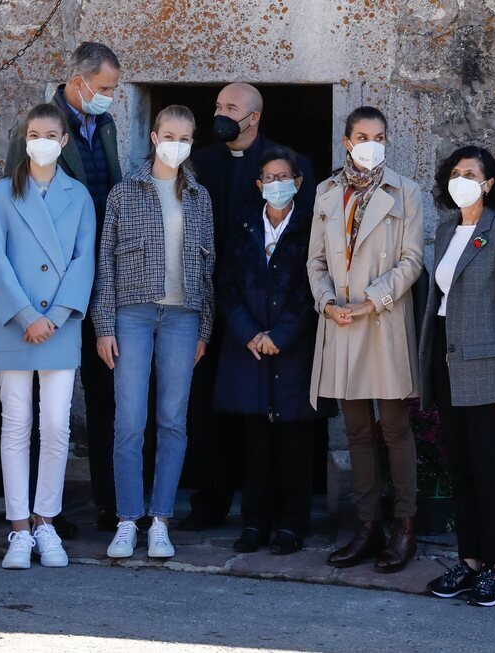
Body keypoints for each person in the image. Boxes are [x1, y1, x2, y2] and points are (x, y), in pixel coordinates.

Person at [183, 82, 317, 531]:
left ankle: (278, 514)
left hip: (270, 311)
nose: (221, 113)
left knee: (275, 414)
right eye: (217, 106)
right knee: (208, 406)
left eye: (231, 107)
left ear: (254, 116)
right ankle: (211, 498)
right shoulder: (198, 162)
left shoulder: (283, 163)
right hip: (212, 301)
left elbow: (305, 240)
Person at [5, 42, 123, 534]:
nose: (110, 97)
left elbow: (112, 187)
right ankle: (35, 510)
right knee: (36, 404)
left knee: (103, 389)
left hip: (95, 270)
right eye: (105, 88)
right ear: (78, 82)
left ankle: (108, 501)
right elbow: (17, 201)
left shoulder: (108, 126)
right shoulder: (38, 130)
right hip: (48, 281)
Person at [92, 105, 215, 560]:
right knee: (129, 421)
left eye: (186, 138)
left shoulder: (200, 197)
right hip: (133, 314)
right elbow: (105, 261)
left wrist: (204, 324)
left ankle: (160, 519)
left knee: (172, 421)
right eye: (170, 135)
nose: (176, 145)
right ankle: (128, 519)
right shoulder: (124, 193)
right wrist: (104, 324)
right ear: (153, 136)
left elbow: (208, 266)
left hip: (183, 317)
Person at [307, 106, 424, 574]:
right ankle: (367, 524)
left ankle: (406, 526)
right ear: (347, 142)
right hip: (341, 323)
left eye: (378, 135)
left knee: (394, 427)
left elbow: (412, 261)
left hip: (383, 320)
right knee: (356, 429)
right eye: (361, 135)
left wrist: (371, 300)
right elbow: (315, 262)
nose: (370, 143)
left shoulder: (406, 192)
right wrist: (326, 302)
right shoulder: (326, 192)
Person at [0, 103, 96, 570]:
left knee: (55, 426)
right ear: (24, 139)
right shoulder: (3, 194)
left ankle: (46, 521)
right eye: (34, 133)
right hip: (16, 323)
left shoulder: (80, 196)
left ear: (64, 140)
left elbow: (83, 259)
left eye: (50, 133)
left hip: (60, 325)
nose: (42, 141)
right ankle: (18, 529)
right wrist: (27, 314)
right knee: (16, 425)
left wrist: (58, 313)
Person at [421, 146, 495, 607]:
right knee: (460, 466)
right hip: (447, 361)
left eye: (470, 173)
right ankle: (468, 561)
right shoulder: (446, 231)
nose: (460, 179)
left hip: (487, 367)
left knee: (488, 468)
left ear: (487, 184)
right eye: (455, 172)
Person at [214, 147, 334, 555]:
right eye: (269, 177)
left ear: (299, 183)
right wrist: (249, 332)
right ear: (259, 184)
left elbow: (313, 285)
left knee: (295, 444)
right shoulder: (244, 222)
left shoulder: (313, 225)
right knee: (256, 445)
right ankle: (254, 523)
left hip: (293, 348)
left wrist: (281, 334)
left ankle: (291, 525)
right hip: (249, 349)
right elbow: (226, 283)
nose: (276, 184)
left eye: (284, 177)